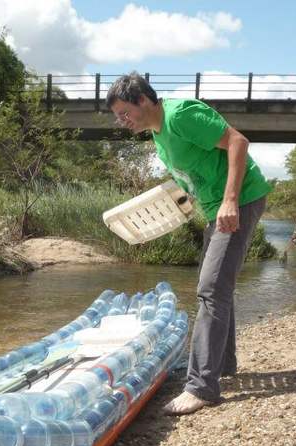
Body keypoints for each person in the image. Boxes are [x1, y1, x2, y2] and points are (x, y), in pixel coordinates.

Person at [106, 72, 272, 415]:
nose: (122, 121)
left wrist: (229, 201)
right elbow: (195, 170)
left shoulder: (180, 115)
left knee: (211, 288)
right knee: (217, 285)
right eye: (117, 117)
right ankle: (222, 366)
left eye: (124, 112)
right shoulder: (157, 133)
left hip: (241, 200)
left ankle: (202, 387)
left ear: (142, 100)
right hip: (215, 207)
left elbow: (238, 142)